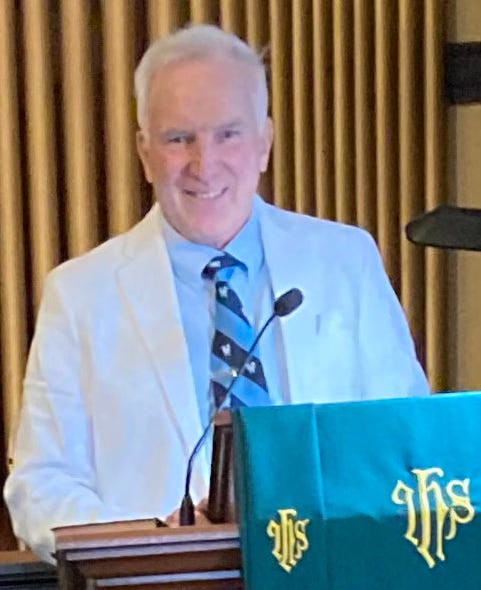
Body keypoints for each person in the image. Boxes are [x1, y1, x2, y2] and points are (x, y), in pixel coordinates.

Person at [4, 24, 429, 563]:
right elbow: (38, 488)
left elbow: (408, 443)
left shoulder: (346, 262)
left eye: (228, 134)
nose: (204, 164)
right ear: (144, 152)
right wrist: (152, 541)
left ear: (264, 144)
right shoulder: (79, 295)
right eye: (178, 138)